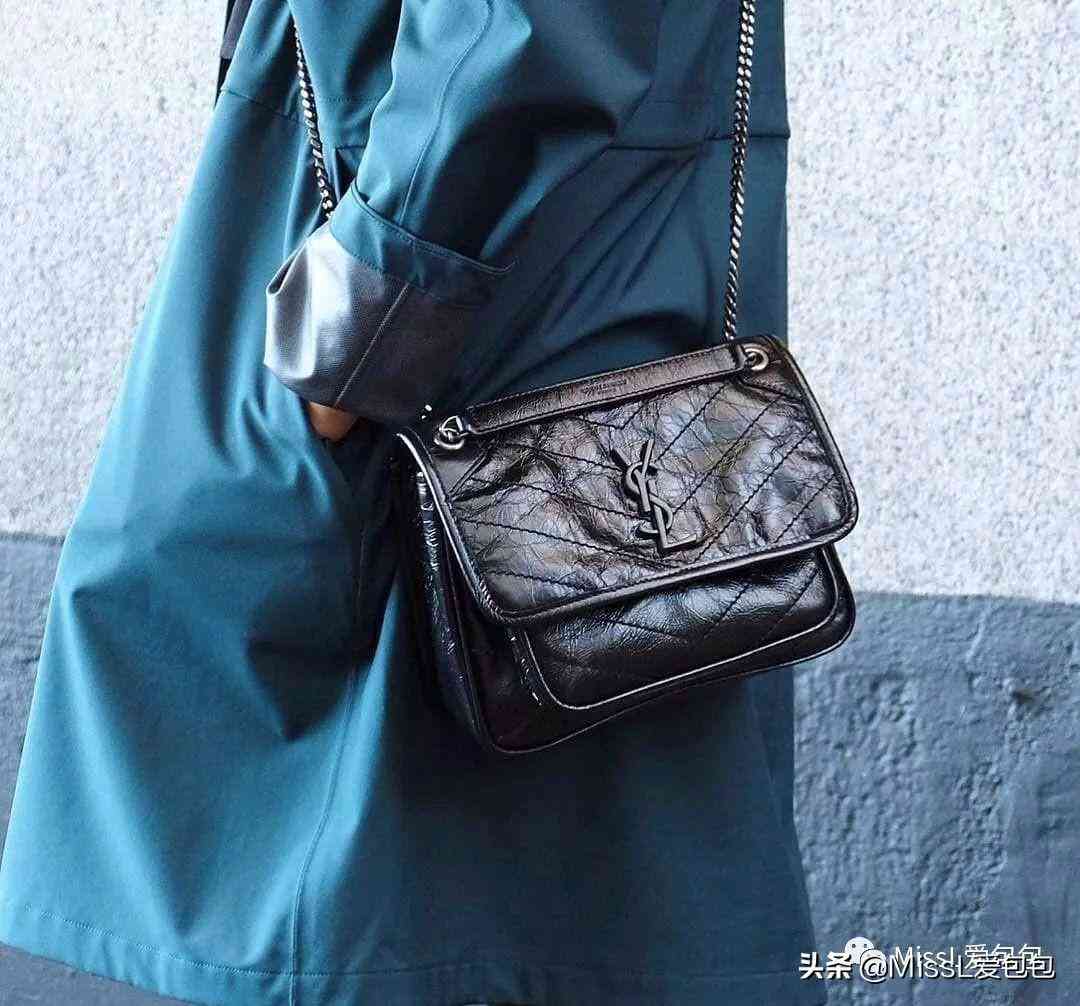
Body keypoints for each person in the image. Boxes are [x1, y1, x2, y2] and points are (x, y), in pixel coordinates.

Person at [0, 1, 823, 1004]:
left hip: (457, 290)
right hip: (470, 260)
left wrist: (359, 322)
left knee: (403, 885)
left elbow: (522, 28)